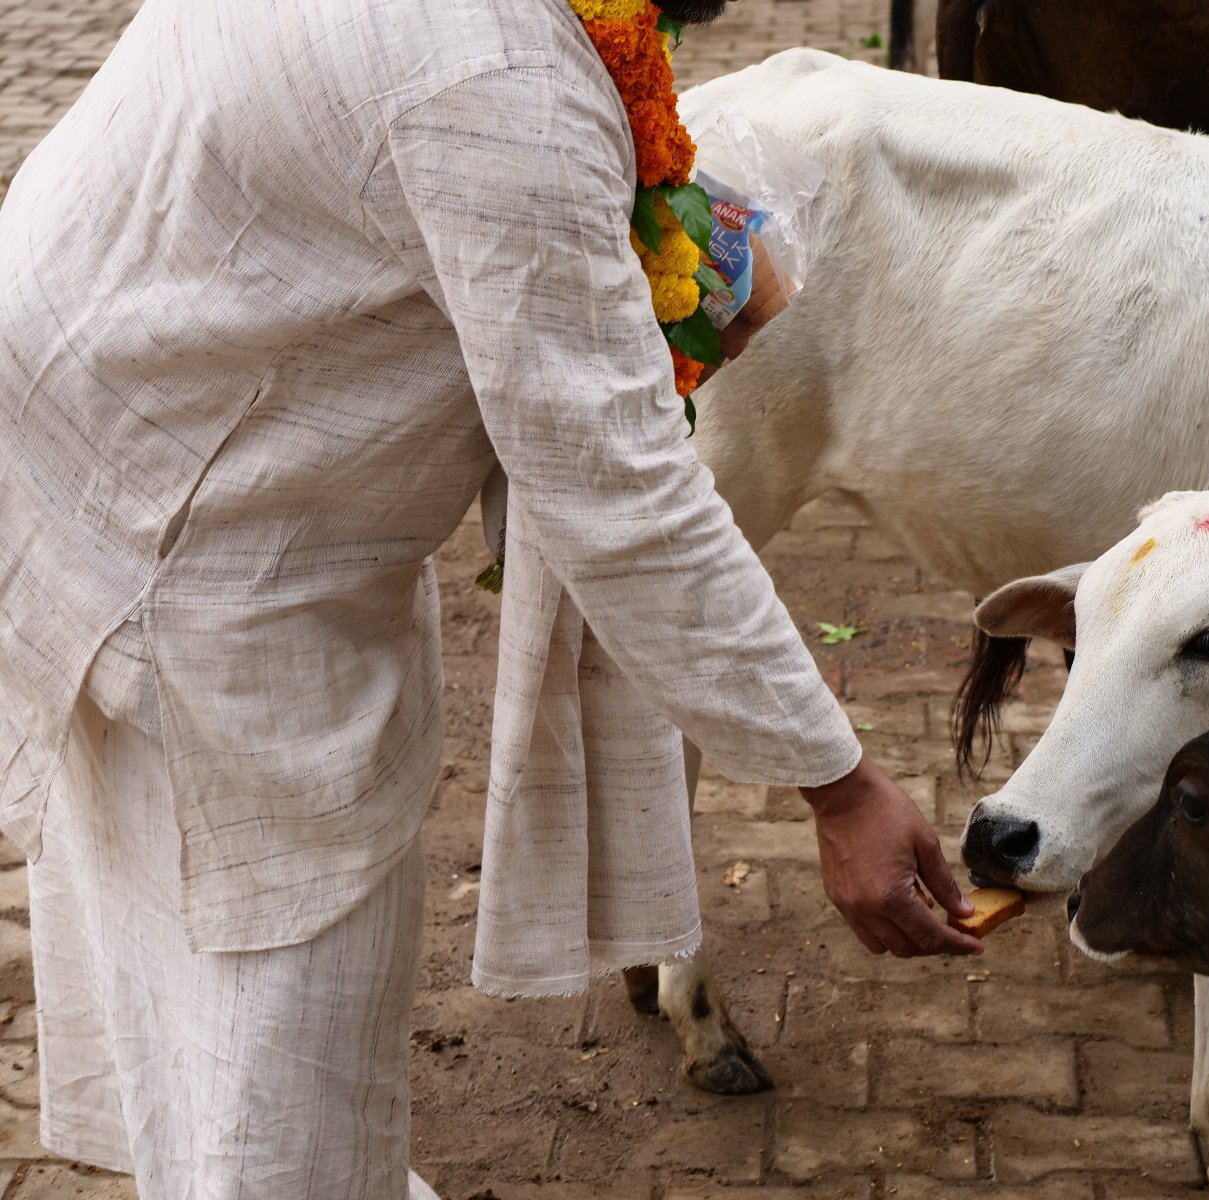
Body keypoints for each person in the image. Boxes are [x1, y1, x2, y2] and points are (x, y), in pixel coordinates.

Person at [0, 0, 982, 1195]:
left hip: (121, 400)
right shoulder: (500, 78)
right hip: (185, 530)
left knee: (192, 929)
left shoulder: (514, 60)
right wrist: (842, 784)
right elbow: (624, 496)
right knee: (273, 970)